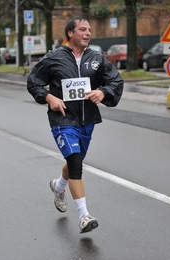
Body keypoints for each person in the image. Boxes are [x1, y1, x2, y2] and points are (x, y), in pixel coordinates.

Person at [27, 15, 123, 233]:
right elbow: (33, 82)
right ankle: (83, 216)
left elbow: (116, 81)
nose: (88, 33)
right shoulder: (54, 58)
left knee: (75, 161)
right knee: (75, 162)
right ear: (70, 33)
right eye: (82, 29)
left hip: (87, 120)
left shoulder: (97, 58)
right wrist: (48, 97)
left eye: (89, 29)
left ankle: (58, 186)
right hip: (62, 119)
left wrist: (103, 92)